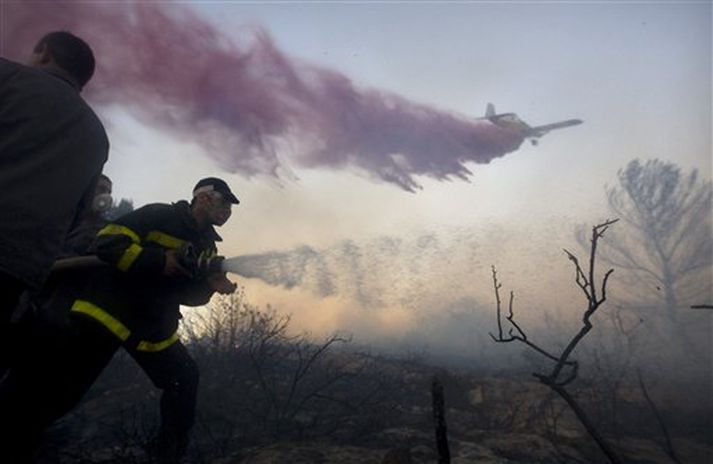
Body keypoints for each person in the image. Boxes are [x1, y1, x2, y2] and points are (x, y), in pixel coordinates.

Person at [0, 177, 239, 463]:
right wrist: (158, 260)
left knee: (184, 378)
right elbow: (108, 242)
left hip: (151, 326)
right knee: (59, 394)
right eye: (224, 201)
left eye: (230, 206)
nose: (228, 210)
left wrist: (209, 286)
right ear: (203, 198)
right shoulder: (159, 215)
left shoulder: (207, 247)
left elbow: (189, 297)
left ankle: (167, 454)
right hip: (107, 315)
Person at [0, 31, 109, 359]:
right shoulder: (97, 137)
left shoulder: (9, 78)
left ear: (43, 52)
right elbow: (82, 215)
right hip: (17, 273)